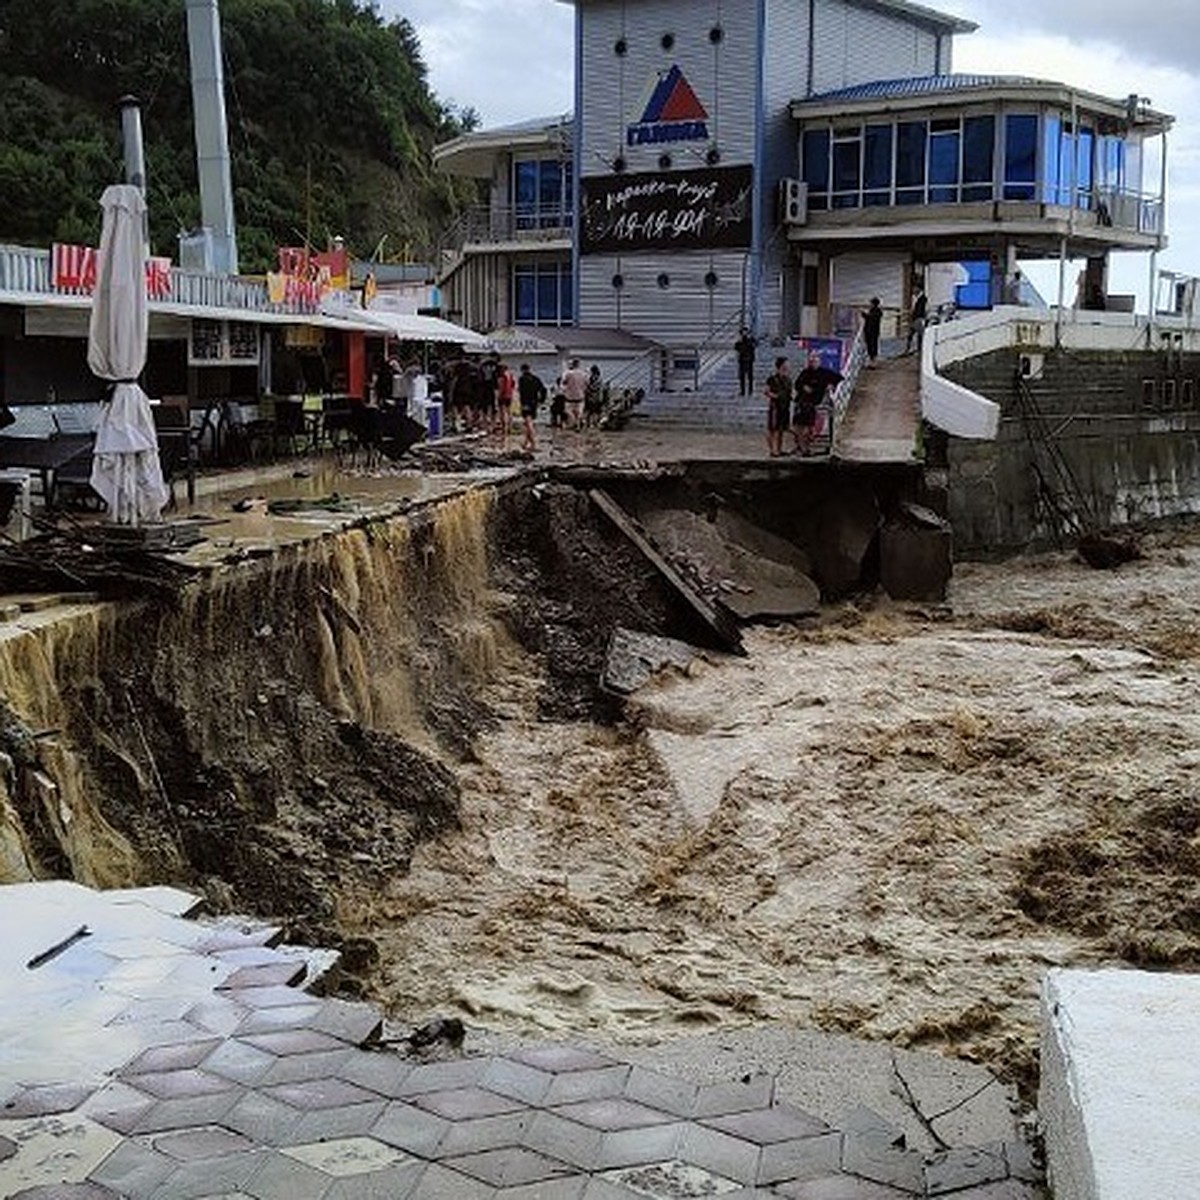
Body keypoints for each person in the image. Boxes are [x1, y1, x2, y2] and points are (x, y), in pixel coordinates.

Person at [793, 350, 843, 456]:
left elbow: (840, 378)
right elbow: (797, 385)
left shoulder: (824, 372)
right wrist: (803, 387)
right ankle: (803, 449)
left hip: (813, 403)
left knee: (809, 429)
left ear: (819, 361)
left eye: (815, 360)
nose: (812, 362)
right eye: (811, 360)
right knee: (800, 427)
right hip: (802, 402)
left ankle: (806, 447)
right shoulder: (805, 372)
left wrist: (832, 385)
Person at [763, 355, 792, 458]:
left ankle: (779, 449)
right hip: (775, 407)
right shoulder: (772, 378)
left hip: (785, 407)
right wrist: (775, 396)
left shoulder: (788, 379)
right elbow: (766, 391)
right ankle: (772, 450)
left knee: (781, 430)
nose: (788, 366)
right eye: (786, 364)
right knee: (773, 429)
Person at [517, 363, 546, 452]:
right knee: (528, 423)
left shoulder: (522, 379)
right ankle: (526, 442)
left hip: (526, 403)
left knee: (528, 423)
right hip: (534, 403)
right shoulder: (536, 379)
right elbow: (543, 389)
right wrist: (541, 400)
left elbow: (521, 392)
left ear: (522, 370)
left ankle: (533, 443)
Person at [559, 358, 588, 430]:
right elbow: (586, 384)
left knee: (568, 410)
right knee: (579, 411)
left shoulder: (568, 374)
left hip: (569, 396)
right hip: (580, 396)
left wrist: (564, 391)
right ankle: (578, 423)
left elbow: (563, 384)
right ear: (579, 365)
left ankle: (574, 422)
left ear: (572, 365)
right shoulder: (584, 374)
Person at [734, 326, 757, 397]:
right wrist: (739, 341)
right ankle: (742, 391)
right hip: (742, 360)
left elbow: (754, 345)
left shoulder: (751, 340)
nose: (744, 333)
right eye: (743, 332)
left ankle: (750, 391)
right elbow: (736, 348)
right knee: (742, 377)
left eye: (746, 332)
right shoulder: (740, 341)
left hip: (749, 360)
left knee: (750, 376)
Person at [862, 297, 883, 364]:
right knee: (869, 345)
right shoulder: (871, 310)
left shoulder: (878, 311)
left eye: (871, 303)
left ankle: (873, 360)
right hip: (868, 331)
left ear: (874, 304)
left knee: (873, 345)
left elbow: (872, 318)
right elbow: (869, 318)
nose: (870, 304)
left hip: (873, 332)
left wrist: (866, 315)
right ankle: (871, 359)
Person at [907, 288, 927, 355]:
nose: (913, 291)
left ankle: (918, 349)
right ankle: (911, 348)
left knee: (918, 334)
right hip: (915, 318)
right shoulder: (916, 298)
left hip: (918, 318)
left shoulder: (922, 299)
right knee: (911, 334)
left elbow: (920, 309)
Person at [584, 364, 604, 428]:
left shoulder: (592, 378)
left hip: (592, 397)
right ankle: (595, 423)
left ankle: (589, 423)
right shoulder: (599, 378)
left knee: (590, 411)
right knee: (596, 411)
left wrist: (588, 389)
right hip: (598, 397)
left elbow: (591, 387)